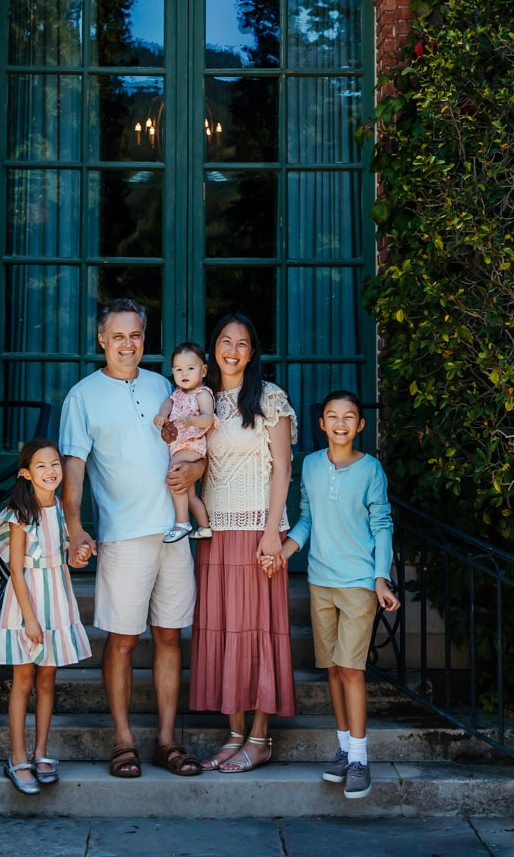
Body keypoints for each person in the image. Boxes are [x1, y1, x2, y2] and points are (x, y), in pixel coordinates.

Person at [59, 299, 206, 779]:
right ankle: (123, 741)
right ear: (102, 340)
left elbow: (195, 447)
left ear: (145, 338)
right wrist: (75, 525)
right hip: (123, 536)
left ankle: (166, 740)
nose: (128, 344)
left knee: (169, 636)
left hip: (173, 533)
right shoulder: (82, 396)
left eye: (136, 335)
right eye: (118, 336)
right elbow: (73, 466)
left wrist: (194, 470)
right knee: (121, 640)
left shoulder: (166, 385)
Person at [188, 311, 297, 773]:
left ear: (252, 353)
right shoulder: (203, 400)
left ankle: (259, 737)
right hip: (215, 533)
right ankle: (234, 735)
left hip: (258, 531)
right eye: (225, 342)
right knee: (226, 633)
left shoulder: (269, 398)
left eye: (242, 343)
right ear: (214, 348)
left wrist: (272, 531)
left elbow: (284, 468)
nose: (232, 350)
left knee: (257, 634)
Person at [280, 391, 399, 800]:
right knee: (332, 667)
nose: (341, 423)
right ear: (322, 424)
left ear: (360, 425)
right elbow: (306, 520)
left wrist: (381, 579)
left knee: (351, 669)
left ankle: (362, 760)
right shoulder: (311, 465)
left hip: (358, 584)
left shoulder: (371, 470)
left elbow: (382, 526)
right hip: (320, 581)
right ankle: (344, 750)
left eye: (349, 416)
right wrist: (283, 552)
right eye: (333, 416)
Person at [0, 438, 92, 795]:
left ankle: (41, 753)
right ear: (26, 474)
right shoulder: (22, 513)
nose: (50, 472)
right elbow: (16, 571)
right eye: (41, 466)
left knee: (47, 680)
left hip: (57, 599)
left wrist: (79, 553)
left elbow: (65, 553)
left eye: (55, 465)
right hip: (27, 602)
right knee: (23, 681)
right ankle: (17, 757)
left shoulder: (63, 509)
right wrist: (29, 619)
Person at [154, 341, 216, 544]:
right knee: (188, 493)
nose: (184, 373)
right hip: (179, 445)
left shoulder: (202, 393)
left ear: (203, 370)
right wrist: (162, 415)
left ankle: (182, 523)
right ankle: (204, 527)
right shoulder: (177, 393)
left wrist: (190, 420)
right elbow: (166, 404)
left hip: (192, 444)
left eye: (190, 368)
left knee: (175, 471)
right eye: (179, 369)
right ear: (172, 371)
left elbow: (208, 418)